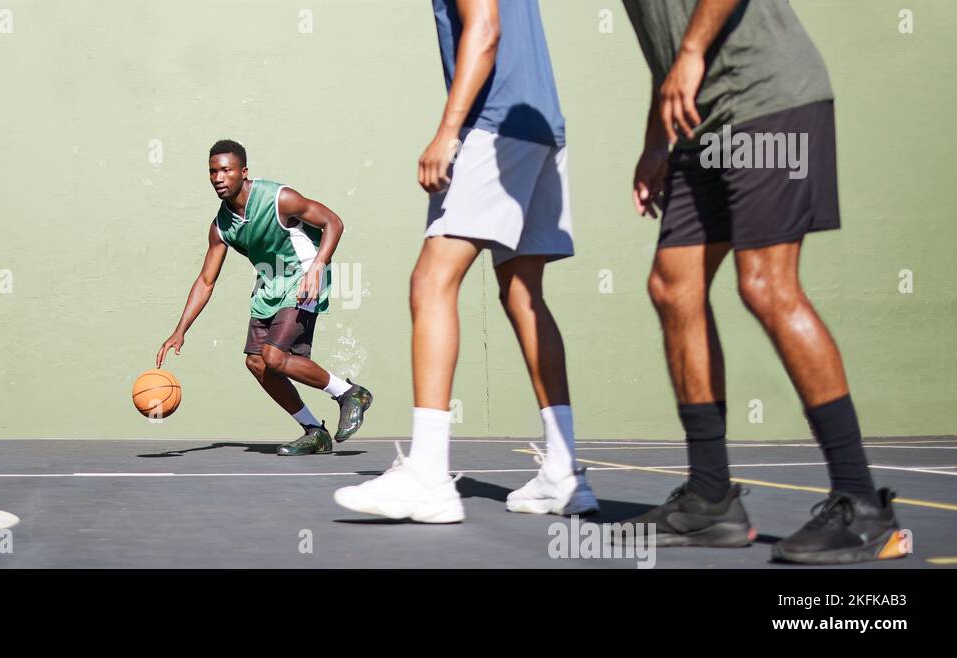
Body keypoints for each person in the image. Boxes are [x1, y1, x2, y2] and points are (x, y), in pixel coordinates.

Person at [621, 0, 906, 563]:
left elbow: (685, 45)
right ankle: (709, 501)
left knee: (765, 284)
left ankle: (862, 501)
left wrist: (693, 51)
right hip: (698, 125)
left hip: (769, 98)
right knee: (672, 285)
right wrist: (656, 140)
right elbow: (666, 43)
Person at [335, 0, 594, 523]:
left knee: (431, 280)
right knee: (523, 293)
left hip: (493, 125)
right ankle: (563, 472)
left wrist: (449, 130)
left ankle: (429, 475)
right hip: (543, 127)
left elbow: (485, 27)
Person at [156, 140, 372, 456]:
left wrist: (319, 265)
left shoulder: (278, 198)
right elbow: (206, 281)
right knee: (257, 363)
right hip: (270, 286)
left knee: (273, 355)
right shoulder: (221, 227)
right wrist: (180, 330)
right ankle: (315, 431)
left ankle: (349, 393)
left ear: (243, 172)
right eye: (213, 171)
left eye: (226, 170)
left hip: (304, 277)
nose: (218, 177)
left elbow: (333, 222)